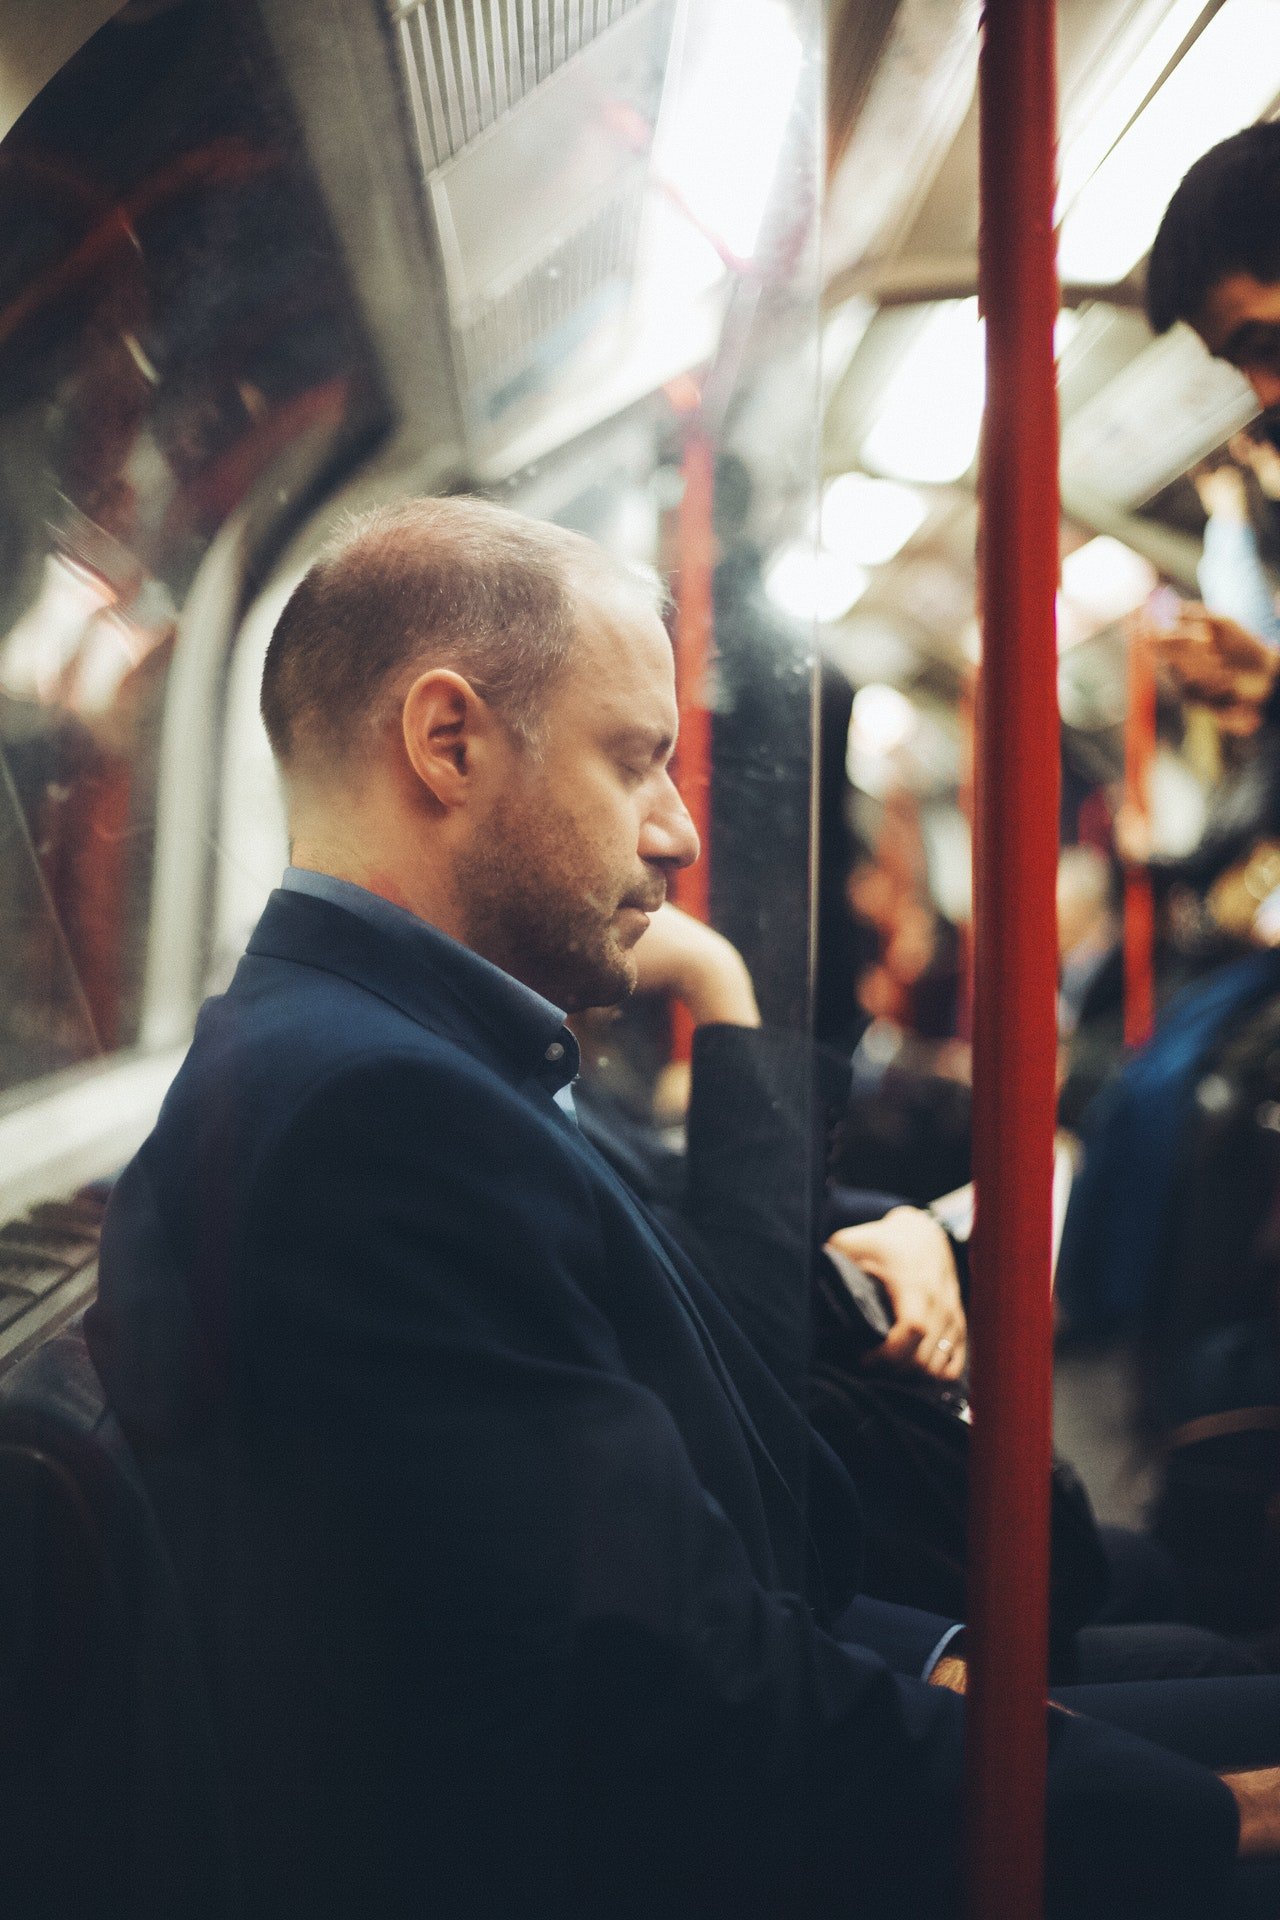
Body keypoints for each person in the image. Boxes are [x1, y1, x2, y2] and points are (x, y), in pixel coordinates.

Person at [86, 497, 1280, 1919]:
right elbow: (679, 1708)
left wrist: (935, 1656)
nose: (679, 829)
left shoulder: (389, 1059)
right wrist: (1211, 1821)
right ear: (448, 742)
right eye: (635, 760)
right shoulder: (383, 1122)